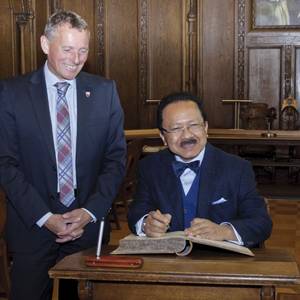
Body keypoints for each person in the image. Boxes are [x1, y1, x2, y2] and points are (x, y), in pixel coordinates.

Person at [0, 10, 126, 300]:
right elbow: (6, 163)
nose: (76, 58)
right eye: (67, 49)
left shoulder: (105, 92)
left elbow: (115, 160)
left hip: (88, 229)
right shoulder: (11, 93)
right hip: (33, 227)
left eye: (83, 50)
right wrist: (45, 217)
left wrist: (89, 212)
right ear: (45, 44)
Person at [127, 92, 272, 247]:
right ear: (163, 136)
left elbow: (261, 223)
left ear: (206, 127)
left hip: (219, 263)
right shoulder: (149, 167)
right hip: (168, 263)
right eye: (176, 128)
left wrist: (224, 232)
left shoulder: (237, 168)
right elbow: (136, 212)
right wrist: (145, 224)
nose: (187, 135)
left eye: (194, 125)